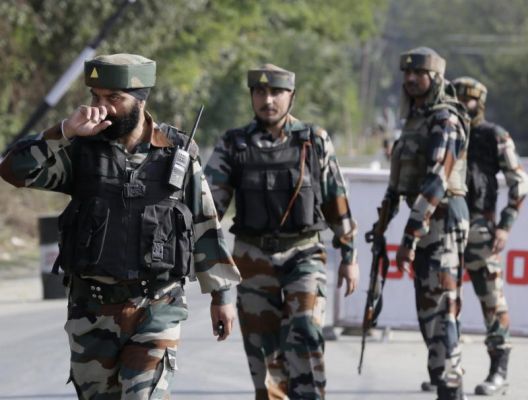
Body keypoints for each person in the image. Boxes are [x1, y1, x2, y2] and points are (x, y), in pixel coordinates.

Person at [0, 53, 241, 399]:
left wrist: (222, 295)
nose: (103, 108)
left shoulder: (177, 152)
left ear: (141, 100)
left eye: (114, 98)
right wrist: (66, 131)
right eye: (96, 97)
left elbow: (204, 221)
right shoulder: (78, 150)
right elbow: (13, 170)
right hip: (92, 311)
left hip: (158, 306)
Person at [204, 64, 359, 400]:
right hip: (251, 260)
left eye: (276, 92)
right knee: (264, 361)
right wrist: (216, 282)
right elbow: (207, 211)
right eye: (260, 92)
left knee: (305, 334)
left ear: (291, 96)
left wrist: (348, 254)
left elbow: (336, 199)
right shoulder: (234, 144)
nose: (268, 100)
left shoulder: (314, 141)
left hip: (303, 255)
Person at [373, 47, 470, 400]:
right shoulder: (415, 119)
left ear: (436, 78)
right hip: (426, 221)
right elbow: (400, 183)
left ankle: (450, 388)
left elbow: (434, 183)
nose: (411, 79)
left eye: (420, 74)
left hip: (441, 221)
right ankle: (446, 379)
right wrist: (382, 227)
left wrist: (410, 235)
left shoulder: (445, 119)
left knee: (441, 314)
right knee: (430, 314)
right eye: (407, 73)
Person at [452, 77, 528, 396]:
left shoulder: (493, 135)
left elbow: (519, 183)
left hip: (481, 228)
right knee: (444, 302)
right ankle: (446, 369)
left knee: (492, 301)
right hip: (447, 227)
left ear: (478, 103)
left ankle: (499, 370)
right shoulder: (445, 133)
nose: (459, 105)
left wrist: (505, 225)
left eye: (465, 100)